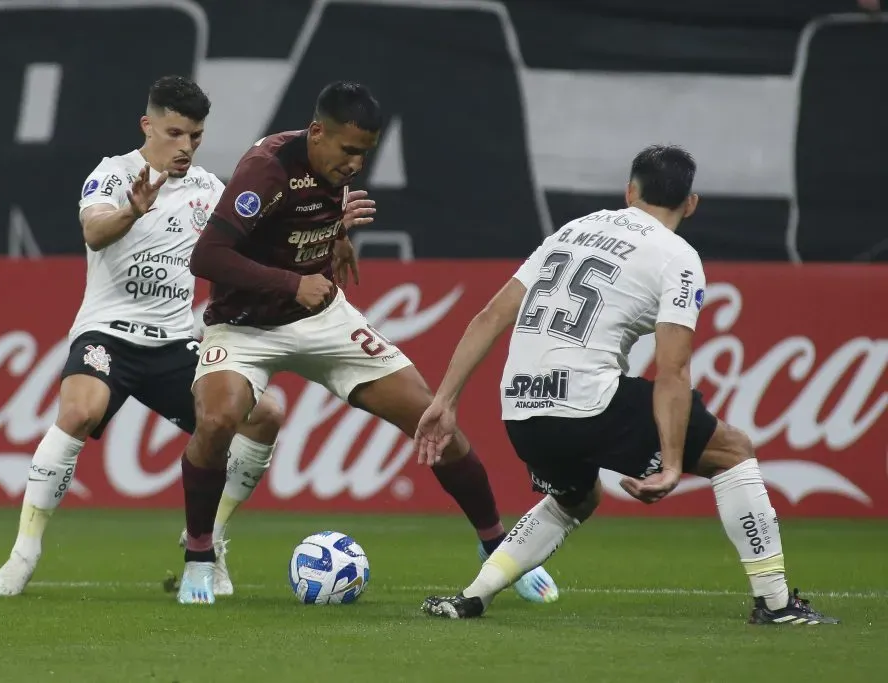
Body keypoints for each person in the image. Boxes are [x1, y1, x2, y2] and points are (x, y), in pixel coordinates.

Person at [415, 145, 839, 625]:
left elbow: (490, 316)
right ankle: (777, 604)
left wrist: (445, 400)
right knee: (733, 451)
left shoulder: (573, 229)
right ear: (691, 203)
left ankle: (473, 596)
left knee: (576, 498)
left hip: (520, 409)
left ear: (629, 192)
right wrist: (673, 463)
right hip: (584, 402)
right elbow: (674, 371)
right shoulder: (678, 255)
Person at [172, 80, 557, 605]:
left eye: (365, 153)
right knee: (218, 419)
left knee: (430, 419)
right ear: (316, 133)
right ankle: (199, 554)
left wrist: (336, 238)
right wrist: (292, 282)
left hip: (323, 317)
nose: (355, 164)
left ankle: (497, 548)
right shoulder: (266, 169)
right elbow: (208, 256)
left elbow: (301, 218)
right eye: (349, 150)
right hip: (243, 326)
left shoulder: (331, 167)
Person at [0, 75, 285, 597]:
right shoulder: (113, 174)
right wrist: (133, 210)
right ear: (148, 125)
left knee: (264, 417)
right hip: (109, 334)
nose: (186, 146)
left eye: (195, 136)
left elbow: (254, 243)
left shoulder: (209, 190)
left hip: (174, 344)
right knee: (78, 412)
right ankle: (23, 553)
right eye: (175, 133)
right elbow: (94, 231)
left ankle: (210, 539)